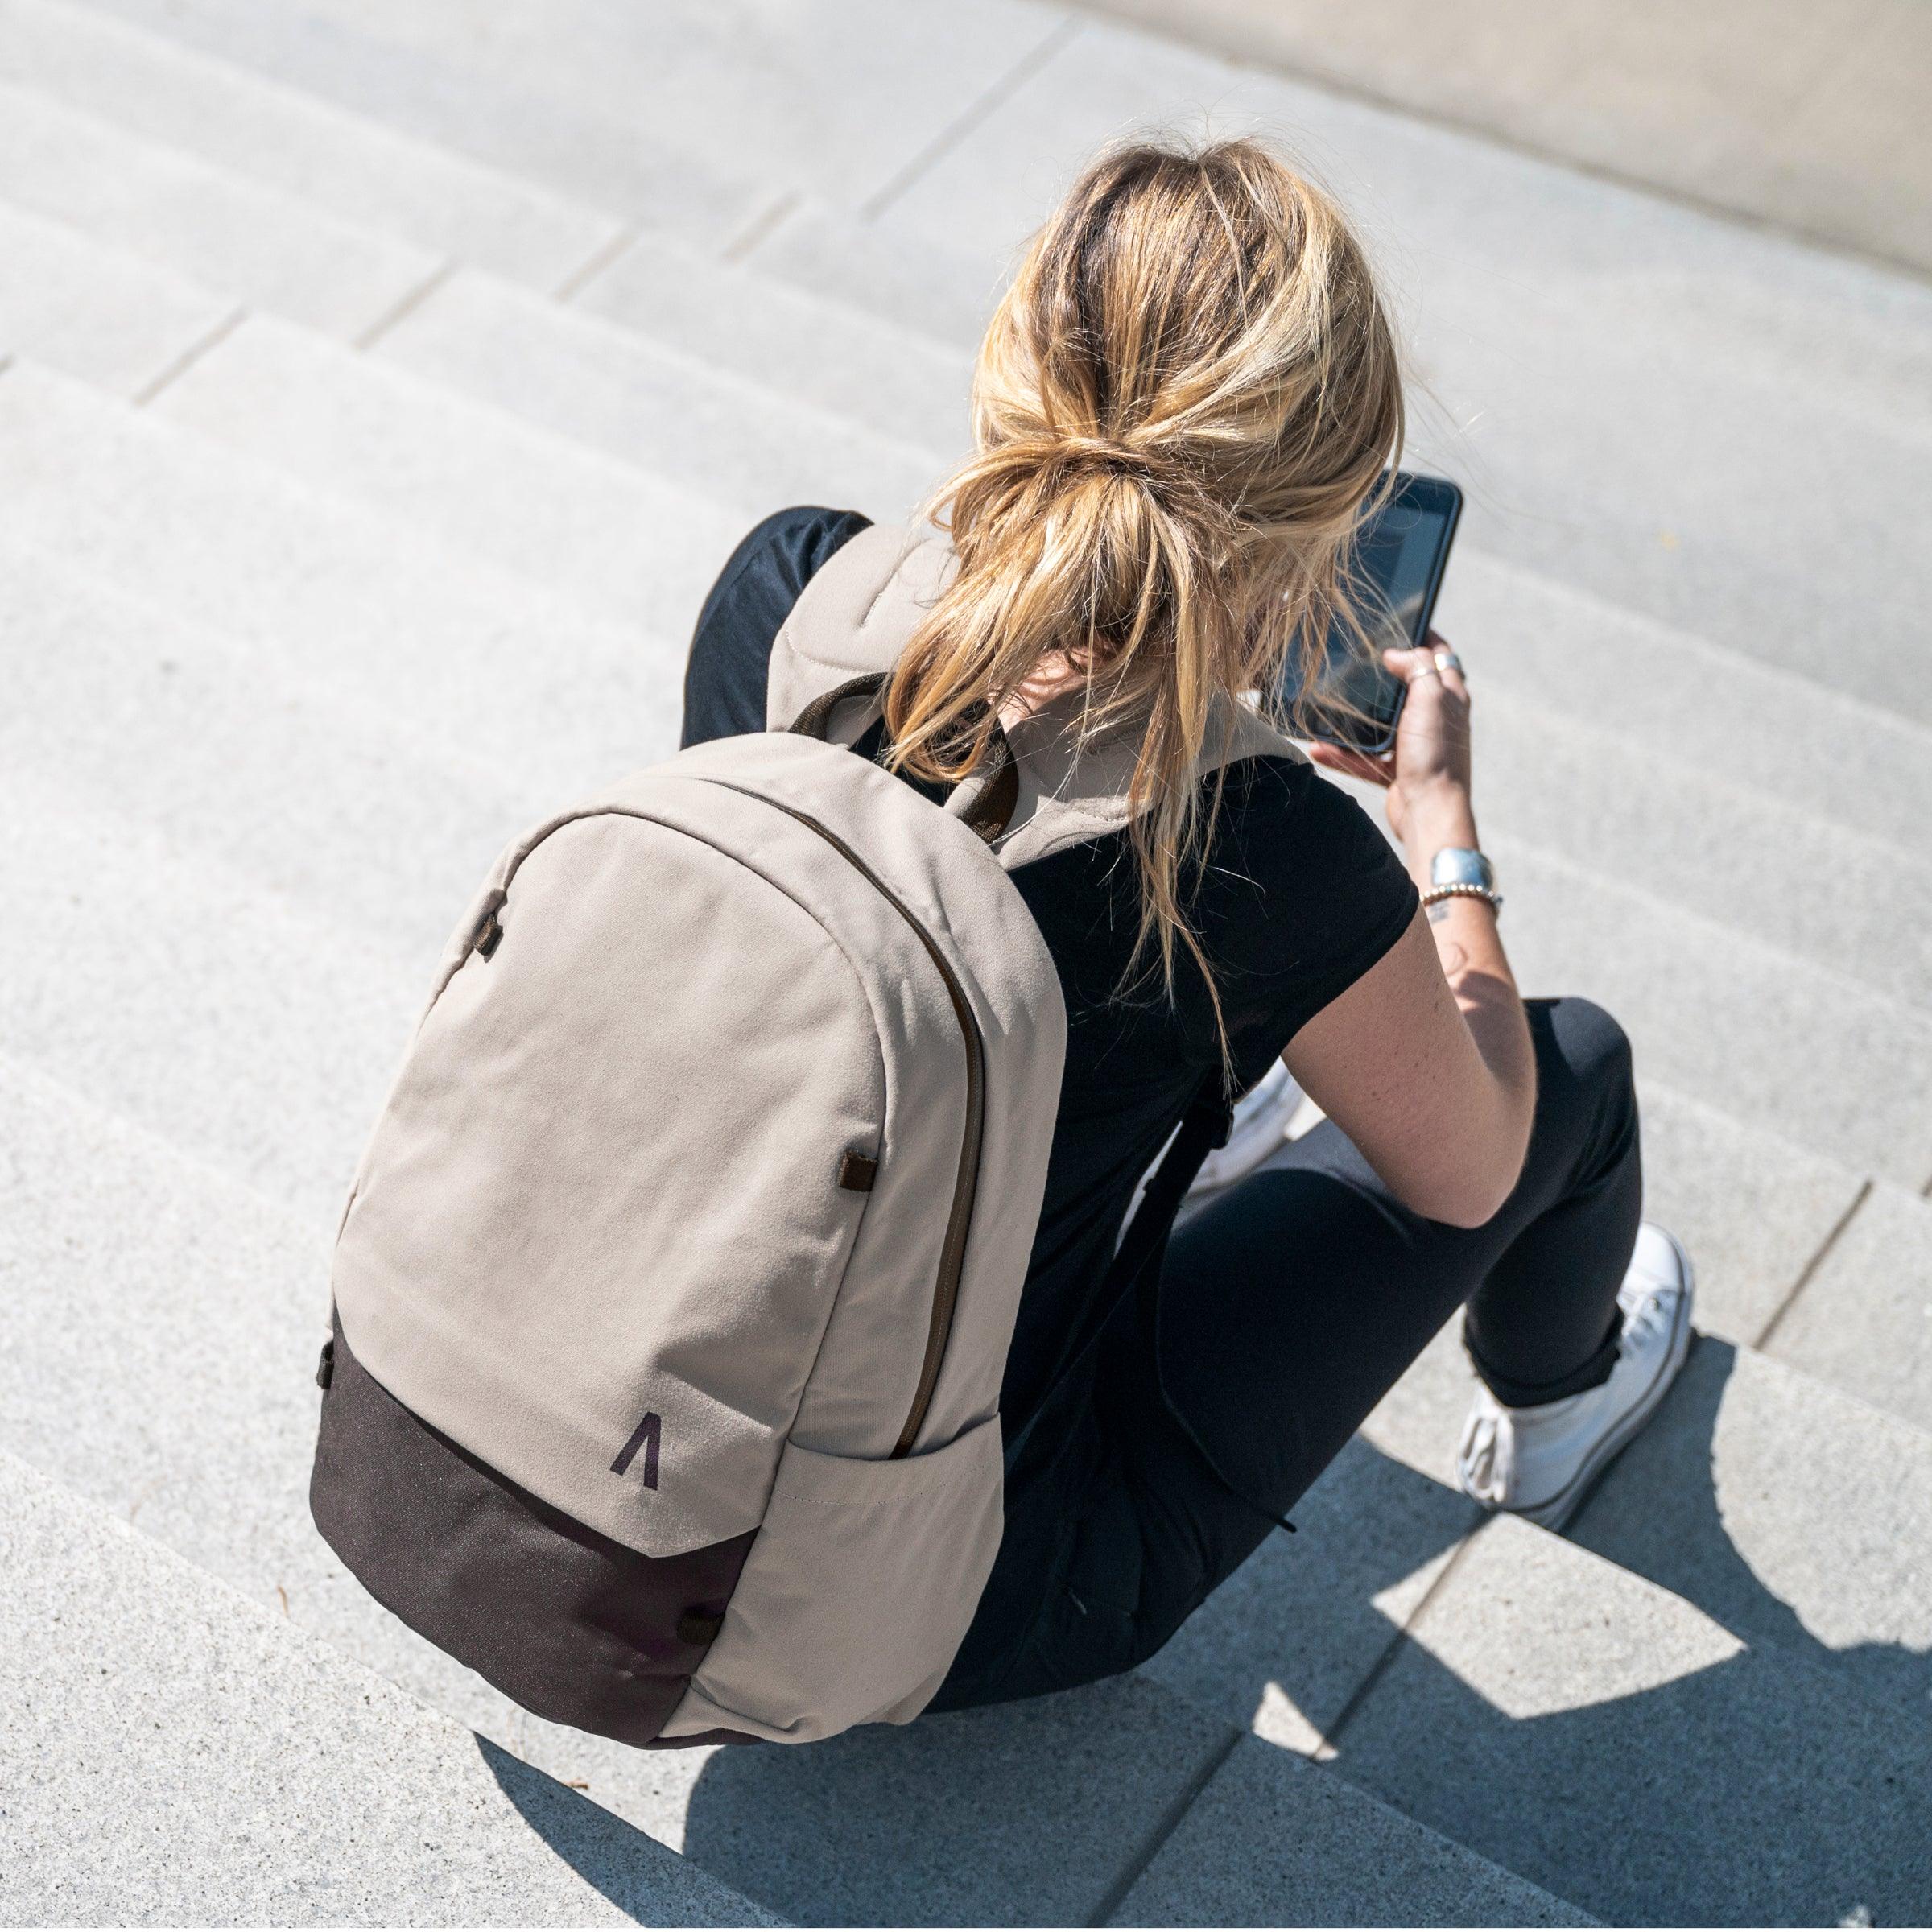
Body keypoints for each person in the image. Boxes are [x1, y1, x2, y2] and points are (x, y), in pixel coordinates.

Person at [679, 138, 1692, 1711]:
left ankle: (1188, 1103)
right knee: (1569, 1069)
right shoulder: (1253, 854)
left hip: (621, 1452)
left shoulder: (794, 593)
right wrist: (1441, 838)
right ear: (1323, 501)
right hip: (954, 1595)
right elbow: (1477, 1160)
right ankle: (1560, 1410)